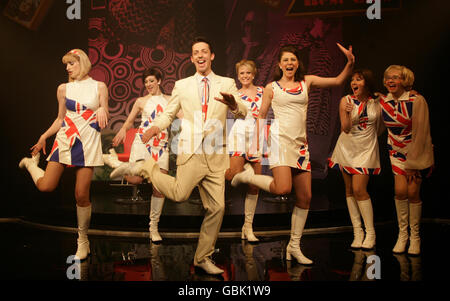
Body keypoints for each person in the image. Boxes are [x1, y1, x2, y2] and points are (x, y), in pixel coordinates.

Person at [118, 37, 248, 275]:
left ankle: (202, 257)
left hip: (215, 152)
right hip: (191, 150)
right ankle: (148, 169)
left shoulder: (227, 82)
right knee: (179, 194)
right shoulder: (182, 84)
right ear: (191, 58)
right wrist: (156, 127)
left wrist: (234, 106)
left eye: (204, 52)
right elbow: (168, 114)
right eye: (195, 52)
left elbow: (242, 111)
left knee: (217, 209)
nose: (200, 55)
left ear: (212, 56)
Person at [231, 43, 355, 264]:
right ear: (279, 64)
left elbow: (337, 81)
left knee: (305, 197)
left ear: (298, 63)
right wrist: (257, 145)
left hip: (300, 144)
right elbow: (261, 115)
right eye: (285, 60)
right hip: (279, 142)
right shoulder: (271, 87)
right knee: (283, 188)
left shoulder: (307, 81)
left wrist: (350, 63)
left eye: (293, 59)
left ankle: (294, 246)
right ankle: (248, 176)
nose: (289, 63)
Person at [19, 49, 109, 260]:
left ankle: (82, 240)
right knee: (46, 186)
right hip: (66, 139)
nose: (67, 68)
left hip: (87, 142)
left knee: (81, 194)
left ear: (82, 63)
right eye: (66, 64)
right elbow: (60, 119)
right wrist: (43, 136)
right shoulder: (63, 89)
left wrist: (103, 110)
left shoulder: (99, 86)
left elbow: (104, 110)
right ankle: (31, 165)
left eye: (71, 63)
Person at [103, 67, 182, 242]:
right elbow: (130, 121)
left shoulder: (170, 100)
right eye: (146, 82)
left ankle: (153, 227)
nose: (148, 84)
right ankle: (116, 163)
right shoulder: (140, 101)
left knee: (159, 188)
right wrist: (122, 131)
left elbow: (183, 116)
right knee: (134, 180)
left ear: (159, 81)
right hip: (143, 142)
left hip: (161, 146)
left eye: (152, 81)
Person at [380, 65, 434, 255]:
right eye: (388, 77)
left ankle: (415, 237)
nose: (391, 81)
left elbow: (422, 133)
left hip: (414, 150)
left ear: (405, 80)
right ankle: (402, 235)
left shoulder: (416, 100)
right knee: (400, 191)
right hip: (395, 152)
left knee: (412, 193)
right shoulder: (383, 101)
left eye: (396, 77)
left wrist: (413, 163)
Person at [329, 69, 383, 250]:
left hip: (366, 149)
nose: (354, 83)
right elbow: (344, 128)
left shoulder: (378, 100)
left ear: (367, 82)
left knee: (361, 189)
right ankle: (357, 232)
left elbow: (382, 125)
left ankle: (371, 233)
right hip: (347, 147)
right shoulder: (346, 100)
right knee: (350, 189)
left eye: (358, 79)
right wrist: (349, 114)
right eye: (352, 80)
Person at [225, 60, 264, 242]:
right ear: (238, 75)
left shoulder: (264, 91)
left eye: (248, 73)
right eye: (241, 73)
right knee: (233, 174)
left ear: (254, 74)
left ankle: (248, 227)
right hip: (239, 134)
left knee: (254, 184)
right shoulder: (235, 94)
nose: (245, 76)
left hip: (257, 135)